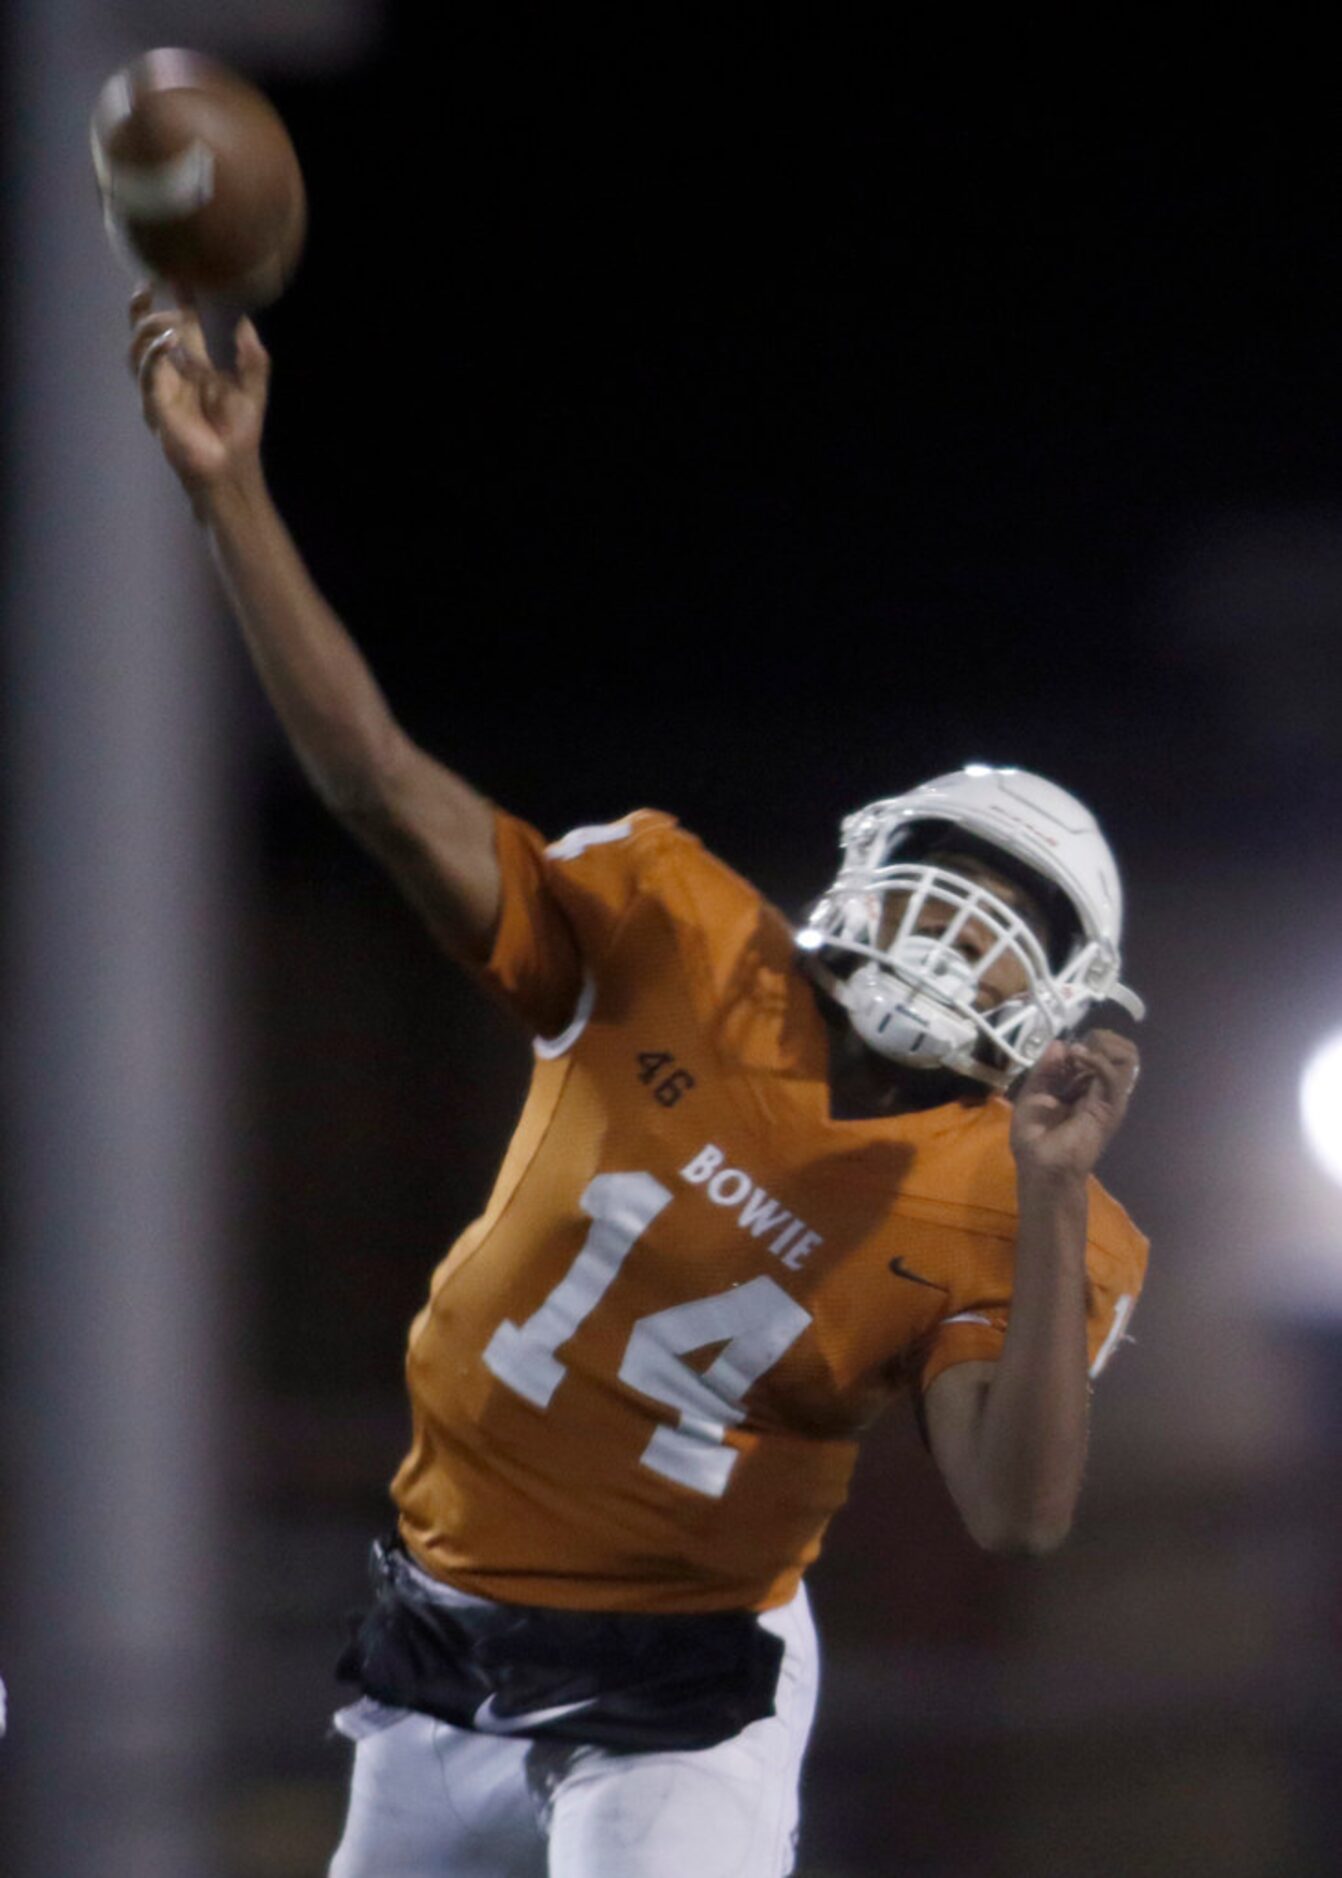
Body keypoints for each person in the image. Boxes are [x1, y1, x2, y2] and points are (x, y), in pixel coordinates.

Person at [127, 290, 1148, 1878]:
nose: (960, 920)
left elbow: (1015, 1517)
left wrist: (1053, 1183)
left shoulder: (1010, 1193)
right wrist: (229, 492)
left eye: (1015, 917)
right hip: (438, 1639)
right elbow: (382, 785)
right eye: (946, 867)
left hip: (680, 1697)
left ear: (1069, 1001)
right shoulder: (673, 924)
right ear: (866, 853)